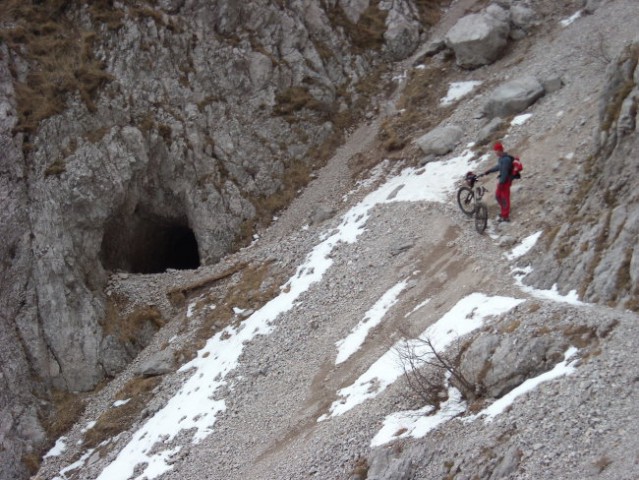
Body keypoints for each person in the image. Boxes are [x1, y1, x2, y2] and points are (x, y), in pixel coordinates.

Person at [483, 142, 514, 222]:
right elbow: (499, 167)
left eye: (496, 151)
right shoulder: (501, 158)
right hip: (502, 181)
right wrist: (489, 171)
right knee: (498, 196)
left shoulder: (506, 160)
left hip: (505, 181)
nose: (495, 152)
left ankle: (505, 216)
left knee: (504, 198)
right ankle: (504, 211)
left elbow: (504, 172)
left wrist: (501, 183)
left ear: (500, 150)